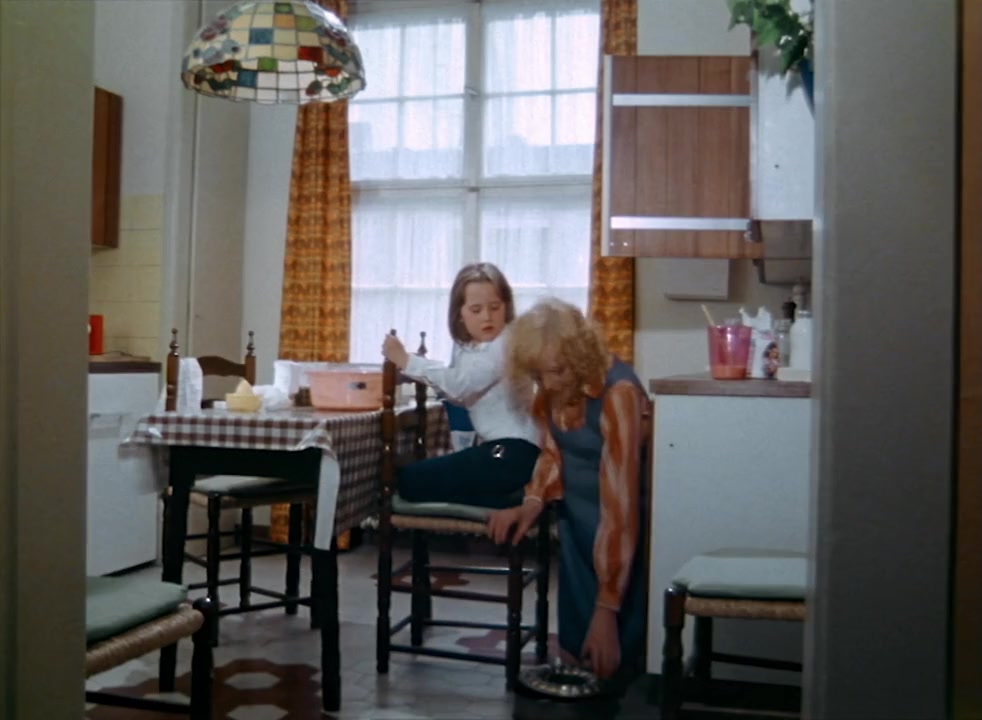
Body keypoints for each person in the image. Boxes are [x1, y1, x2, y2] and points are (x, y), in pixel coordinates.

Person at [487, 298, 650, 686]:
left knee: (616, 665)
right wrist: (530, 503)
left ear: (579, 356)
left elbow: (621, 504)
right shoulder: (553, 389)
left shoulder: (619, 393)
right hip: (577, 531)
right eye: (540, 375)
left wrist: (607, 607)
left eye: (557, 371)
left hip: (622, 540)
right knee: (577, 660)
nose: (549, 385)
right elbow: (552, 453)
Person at [381, 262, 540, 508]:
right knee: (414, 478)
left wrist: (406, 360)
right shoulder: (468, 349)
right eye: (476, 310)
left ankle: (506, 498)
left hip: (512, 452)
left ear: (506, 307)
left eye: (495, 307)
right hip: (499, 450)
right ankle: (499, 498)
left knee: (412, 480)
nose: (487, 317)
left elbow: (461, 385)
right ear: (460, 315)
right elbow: (459, 392)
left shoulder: (507, 342)